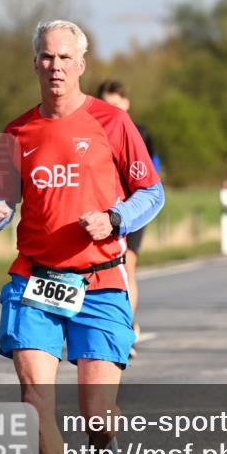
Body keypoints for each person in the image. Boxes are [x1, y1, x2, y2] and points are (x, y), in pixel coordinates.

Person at [0, 20, 164, 454]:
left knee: (96, 407)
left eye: (65, 57)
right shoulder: (17, 133)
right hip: (34, 281)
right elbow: (0, 200)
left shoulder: (112, 122)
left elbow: (151, 193)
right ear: (35, 63)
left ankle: (104, 451)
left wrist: (117, 219)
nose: (55, 66)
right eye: (46, 57)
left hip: (101, 279)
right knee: (33, 396)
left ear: (81, 63)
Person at [96, 80, 160, 360]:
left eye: (116, 104)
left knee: (127, 267)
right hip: (101, 211)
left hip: (131, 209)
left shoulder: (140, 132)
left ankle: (125, 329)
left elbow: (152, 175)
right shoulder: (91, 128)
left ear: (127, 104)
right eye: (106, 104)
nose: (112, 110)